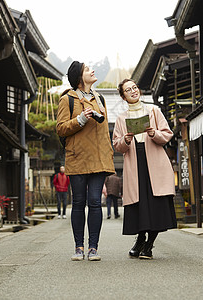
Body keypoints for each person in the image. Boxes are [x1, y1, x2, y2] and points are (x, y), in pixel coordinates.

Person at [56, 61, 115, 261]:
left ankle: (93, 248)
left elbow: (104, 132)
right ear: (80, 77)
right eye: (88, 69)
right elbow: (61, 128)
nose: (92, 71)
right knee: (79, 203)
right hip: (77, 157)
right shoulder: (68, 99)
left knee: (96, 203)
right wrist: (81, 119)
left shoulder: (100, 99)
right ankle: (79, 247)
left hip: (99, 159)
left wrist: (109, 155)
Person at [113, 78, 177, 260]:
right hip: (135, 162)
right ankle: (140, 239)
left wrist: (153, 133)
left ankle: (148, 245)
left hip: (155, 162)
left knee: (156, 205)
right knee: (139, 204)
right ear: (123, 96)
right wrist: (125, 140)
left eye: (134, 88)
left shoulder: (153, 110)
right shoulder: (121, 118)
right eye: (128, 90)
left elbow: (167, 134)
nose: (133, 91)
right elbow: (117, 145)